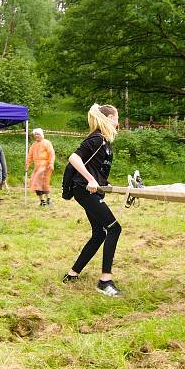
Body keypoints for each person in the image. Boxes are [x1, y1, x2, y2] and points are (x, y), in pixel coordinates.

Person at [62, 104, 123, 297]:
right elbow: (74, 158)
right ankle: (105, 280)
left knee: (99, 234)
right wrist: (89, 179)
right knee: (114, 228)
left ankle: (72, 275)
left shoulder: (105, 142)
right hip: (83, 190)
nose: (118, 121)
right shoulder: (97, 138)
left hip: (91, 191)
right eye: (116, 117)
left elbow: (96, 168)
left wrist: (101, 181)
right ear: (109, 117)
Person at [25, 128, 56, 206]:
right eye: (35, 134)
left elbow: (51, 154)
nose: (36, 136)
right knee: (36, 183)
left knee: (43, 182)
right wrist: (27, 164)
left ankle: (48, 199)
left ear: (41, 134)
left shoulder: (46, 143)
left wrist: (51, 163)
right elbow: (30, 155)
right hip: (37, 166)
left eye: (38, 134)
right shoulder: (34, 145)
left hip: (45, 165)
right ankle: (42, 200)